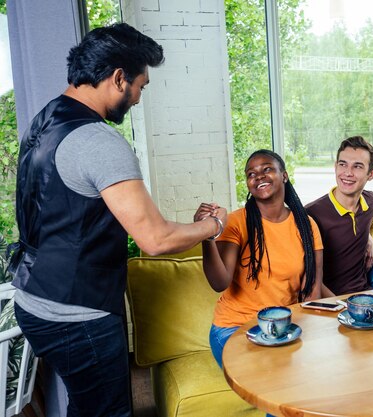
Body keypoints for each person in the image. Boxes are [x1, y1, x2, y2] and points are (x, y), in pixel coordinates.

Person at [7, 23, 226, 417]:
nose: (139, 98)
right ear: (118, 78)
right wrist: (215, 226)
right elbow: (155, 239)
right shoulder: (97, 141)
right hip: (78, 316)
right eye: (141, 86)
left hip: (34, 299)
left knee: (87, 406)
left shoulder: (44, 121)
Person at [195, 149, 323, 368]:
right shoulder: (236, 222)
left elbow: (312, 290)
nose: (258, 176)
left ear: (284, 175)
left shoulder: (306, 224)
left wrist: (309, 336)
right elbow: (219, 283)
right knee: (273, 373)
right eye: (251, 174)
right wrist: (207, 236)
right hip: (235, 327)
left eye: (267, 169)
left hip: (284, 327)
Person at [306, 136, 373, 297]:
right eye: (342, 164)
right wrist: (340, 306)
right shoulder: (312, 215)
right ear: (335, 167)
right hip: (330, 302)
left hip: (365, 295)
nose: (347, 173)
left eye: (358, 166)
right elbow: (310, 278)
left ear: (371, 174)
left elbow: (367, 220)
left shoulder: (371, 202)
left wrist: (367, 235)